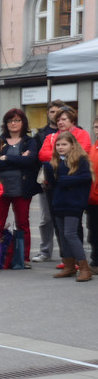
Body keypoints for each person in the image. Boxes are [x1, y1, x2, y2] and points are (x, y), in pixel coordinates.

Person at [38, 106, 90, 271]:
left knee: (70, 232)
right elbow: (42, 155)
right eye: (58, 145)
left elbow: (85, 174)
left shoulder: (80, 155)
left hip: (74, 201)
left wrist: (64, 179)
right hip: (58, 200)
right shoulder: (55, 155)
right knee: (61, 232)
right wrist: (52, 164)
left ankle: (82, 266)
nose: (60, 147)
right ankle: (68, 264)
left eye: (64, 119)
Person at [0, 109, 38, 267]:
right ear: (6, 124)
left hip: (22, 188)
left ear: (23, 123)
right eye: (10, 120)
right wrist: (19, 160)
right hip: (1, 189)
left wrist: (7, 157)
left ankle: (24, 258)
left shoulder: (29, 141)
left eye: (17, 120)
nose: (13, 123)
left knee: (23, 223)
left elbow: (31, 161)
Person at [32, 100, 68, 262]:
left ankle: (67, 254)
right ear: (48, 113)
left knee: (67, 218)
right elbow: (39, 157)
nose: (56, 116)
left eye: (59, 113)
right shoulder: (41, 134)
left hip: (68, 181)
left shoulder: (73, 131)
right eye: (53, 112)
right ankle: (45, 251)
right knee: (46, 218)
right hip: (47, 181)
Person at [87, 114, 98, 269]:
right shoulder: (93, 147)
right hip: (92, 198)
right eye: (96, 127)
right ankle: (95, 261)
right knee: (93, 231)